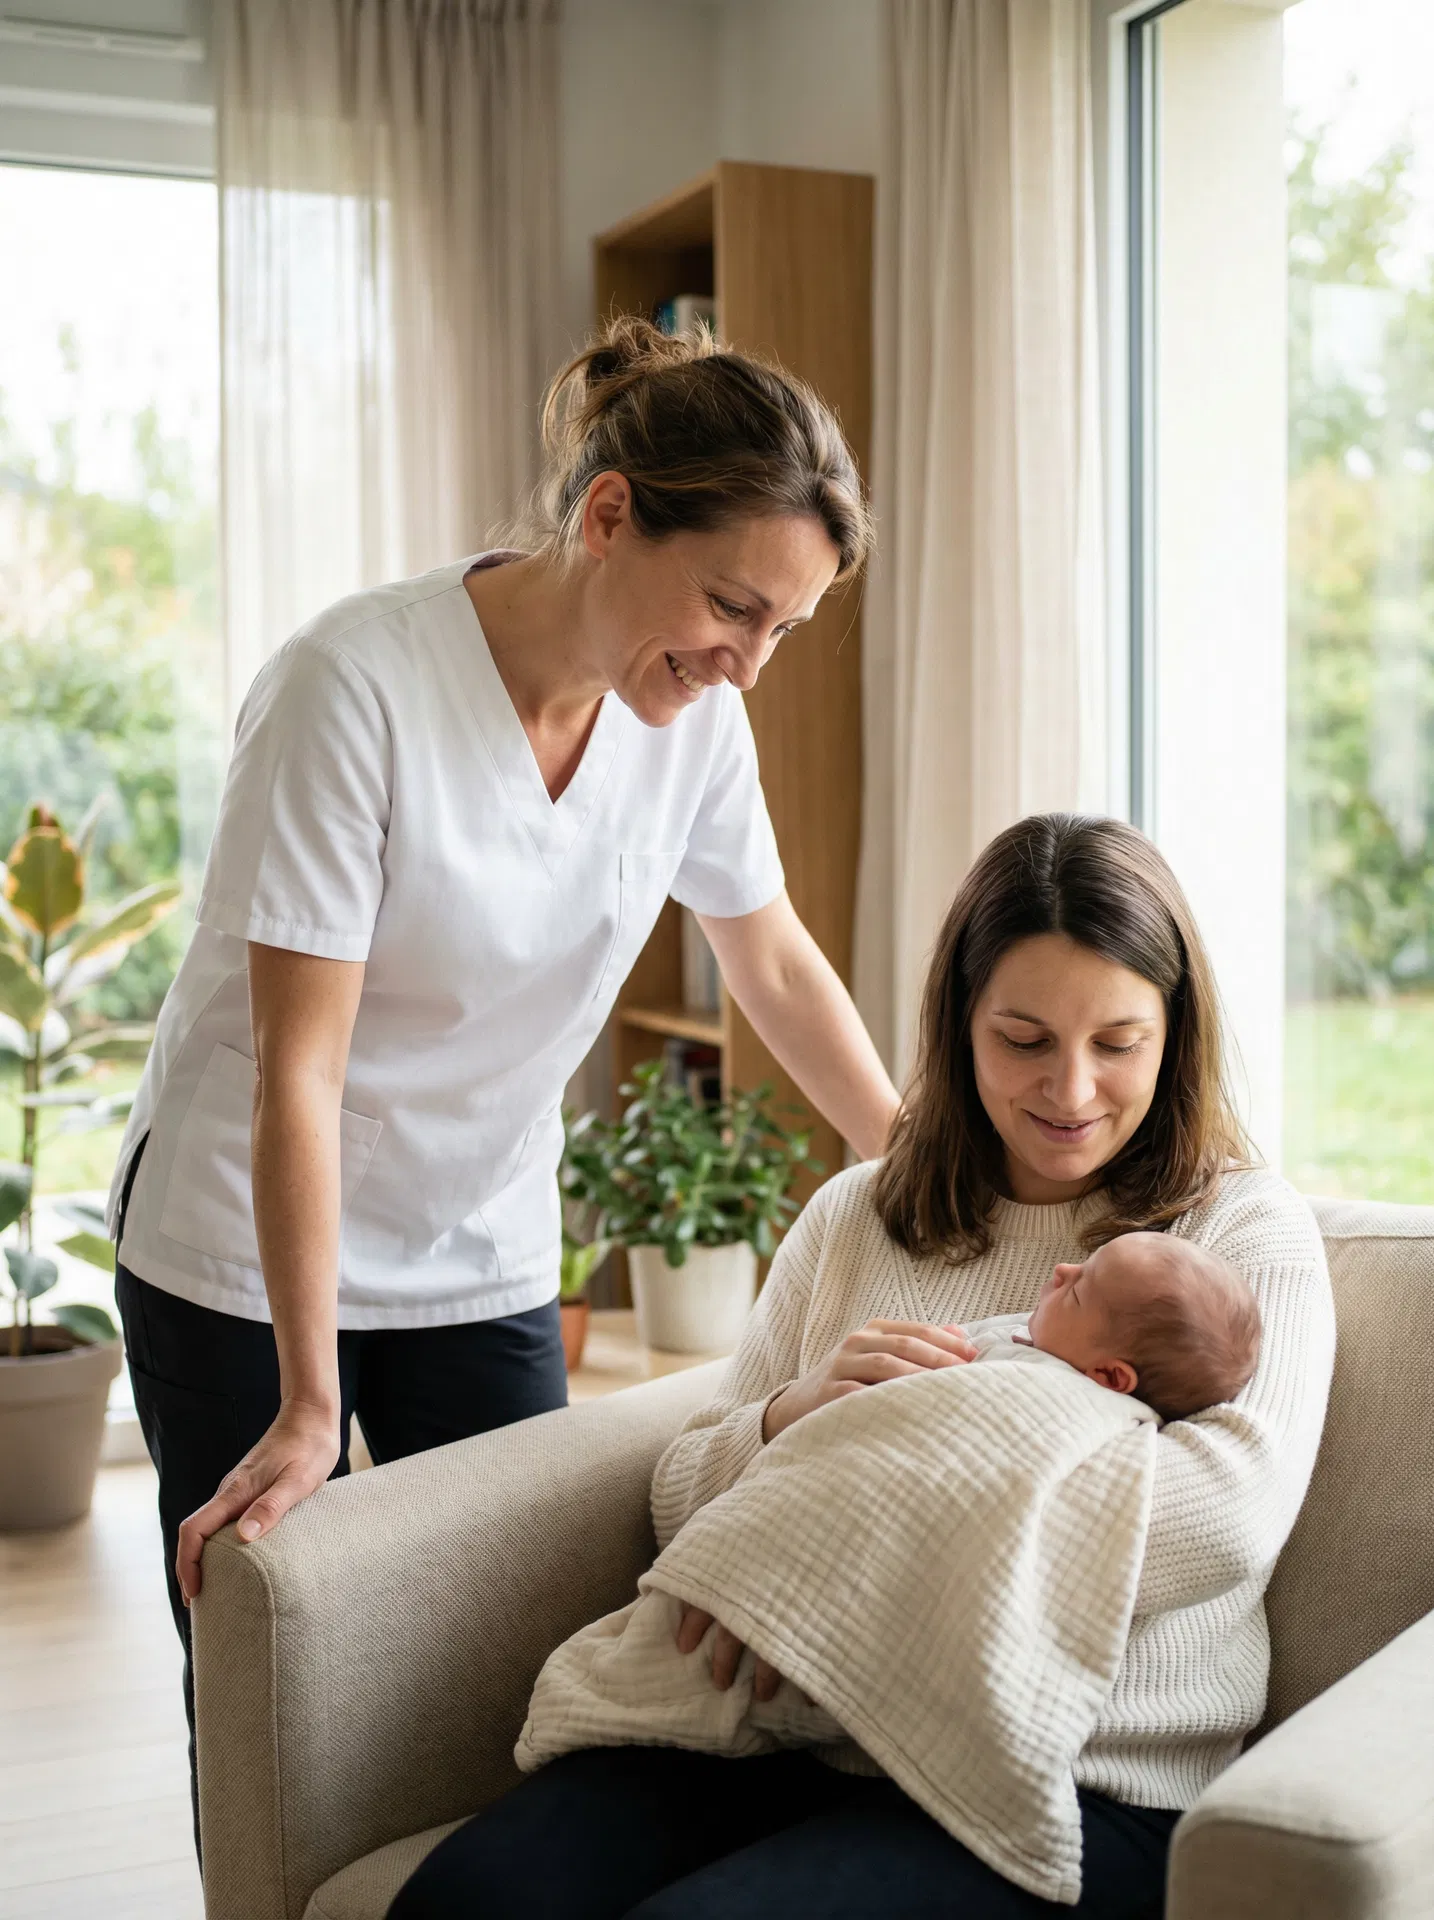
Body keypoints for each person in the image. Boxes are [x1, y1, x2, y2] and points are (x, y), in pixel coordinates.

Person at [108, 314, 902, 1831]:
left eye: (783, 630)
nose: (746, 662)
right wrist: (304, 1400)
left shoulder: (692, 721)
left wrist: (928, 1167)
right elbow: (299, 1071)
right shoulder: (353, 685)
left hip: (475, 1235)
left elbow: (775, 963)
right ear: (609, 516)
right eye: (734, 604)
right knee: (267, 1661)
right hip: (246, 1235)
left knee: (507, 1649)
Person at [389, 811, 1336, 1920]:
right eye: (1023, 1040)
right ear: (959, 1024)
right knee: (469, 1900)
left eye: (1118, 1044)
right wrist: (791, 1418)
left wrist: (843, 1552)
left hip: (1082, 1777)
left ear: (1176, 1034)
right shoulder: (856, 1218)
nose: (1072, 1092)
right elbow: (682, 1489)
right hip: (790, 1732)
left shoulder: (1240, 1234)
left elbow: (1218, 1523)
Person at [969, 1230, 1262, 1422]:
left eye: (1076, 1294)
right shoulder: (1036, 1337)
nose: (1062, 1270)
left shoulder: (1058, 1403)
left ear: (1109, 1376)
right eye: (1084, 1264)